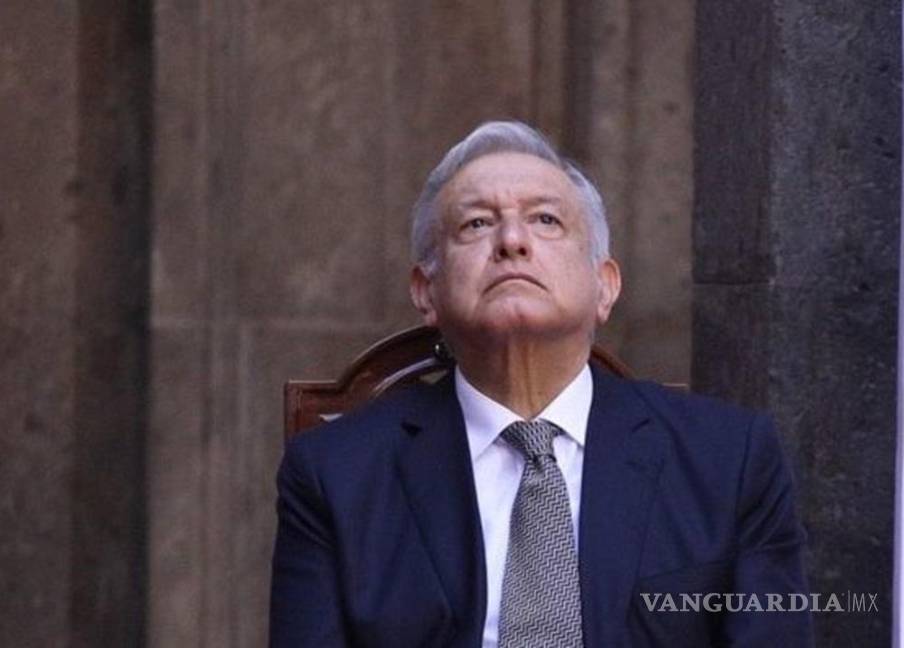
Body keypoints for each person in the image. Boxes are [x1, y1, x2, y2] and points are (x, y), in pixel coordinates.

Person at [270, 121, 813, 647]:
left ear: (605, 286)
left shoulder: (729, 461)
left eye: (546, 220)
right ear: (425, 292)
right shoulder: (335, 475)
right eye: (476, 224)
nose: (512, 240)